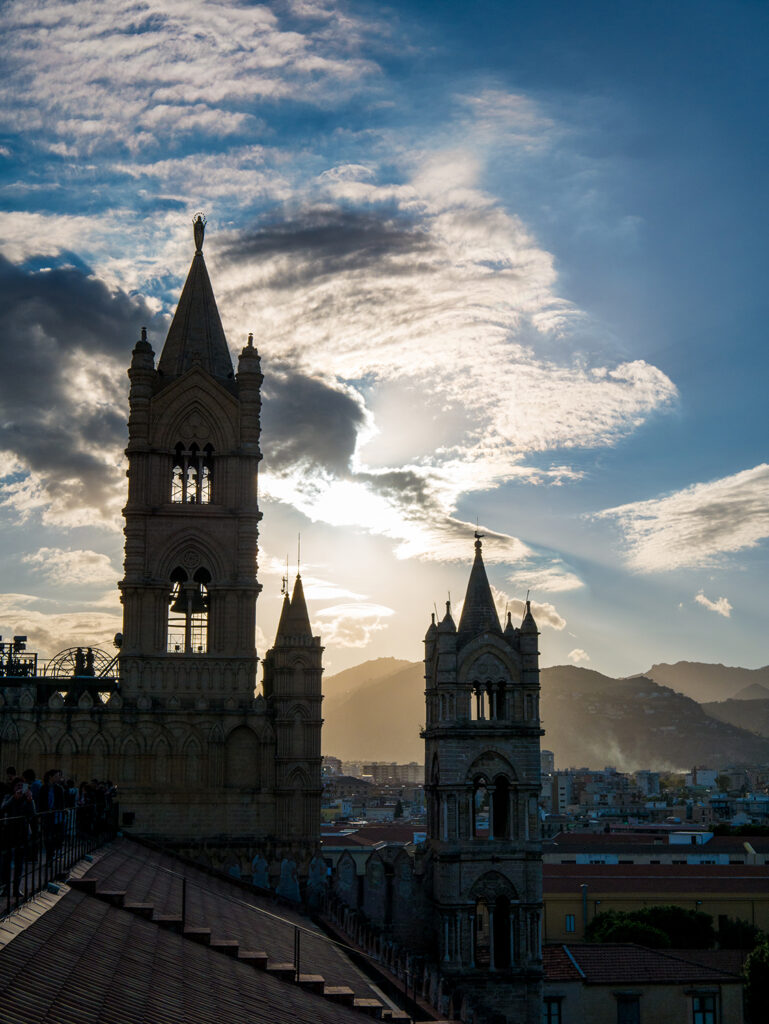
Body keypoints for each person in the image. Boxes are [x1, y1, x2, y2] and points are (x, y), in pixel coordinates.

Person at [1, 777, 36, 899]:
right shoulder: (8, 797)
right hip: (8, 834)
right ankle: (5, 888)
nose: (20, 788)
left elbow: (32, 814)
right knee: (6, 862)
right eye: (17, 786)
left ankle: (16, 888)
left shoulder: (27, 799)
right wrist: (13, 798)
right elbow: (3, 808)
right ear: (13, 787)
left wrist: (30, 800)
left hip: (22, 834)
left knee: (19, 863)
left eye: (22, 786)